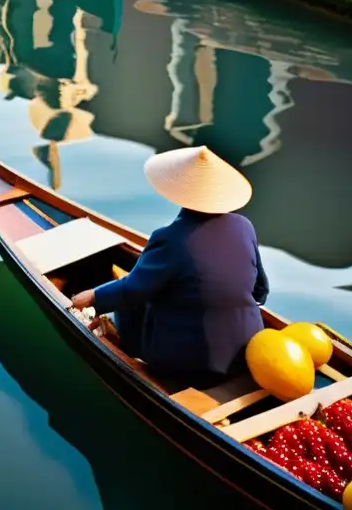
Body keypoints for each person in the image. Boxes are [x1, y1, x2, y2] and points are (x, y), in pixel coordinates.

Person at [71, 146, 269, 388]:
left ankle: (124, 348)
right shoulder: (244, 226)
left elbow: (132, 291)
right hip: (244, 353)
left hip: (184, 365)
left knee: (131, 302)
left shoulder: (170, 238)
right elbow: (260, 290)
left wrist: (92, 296)